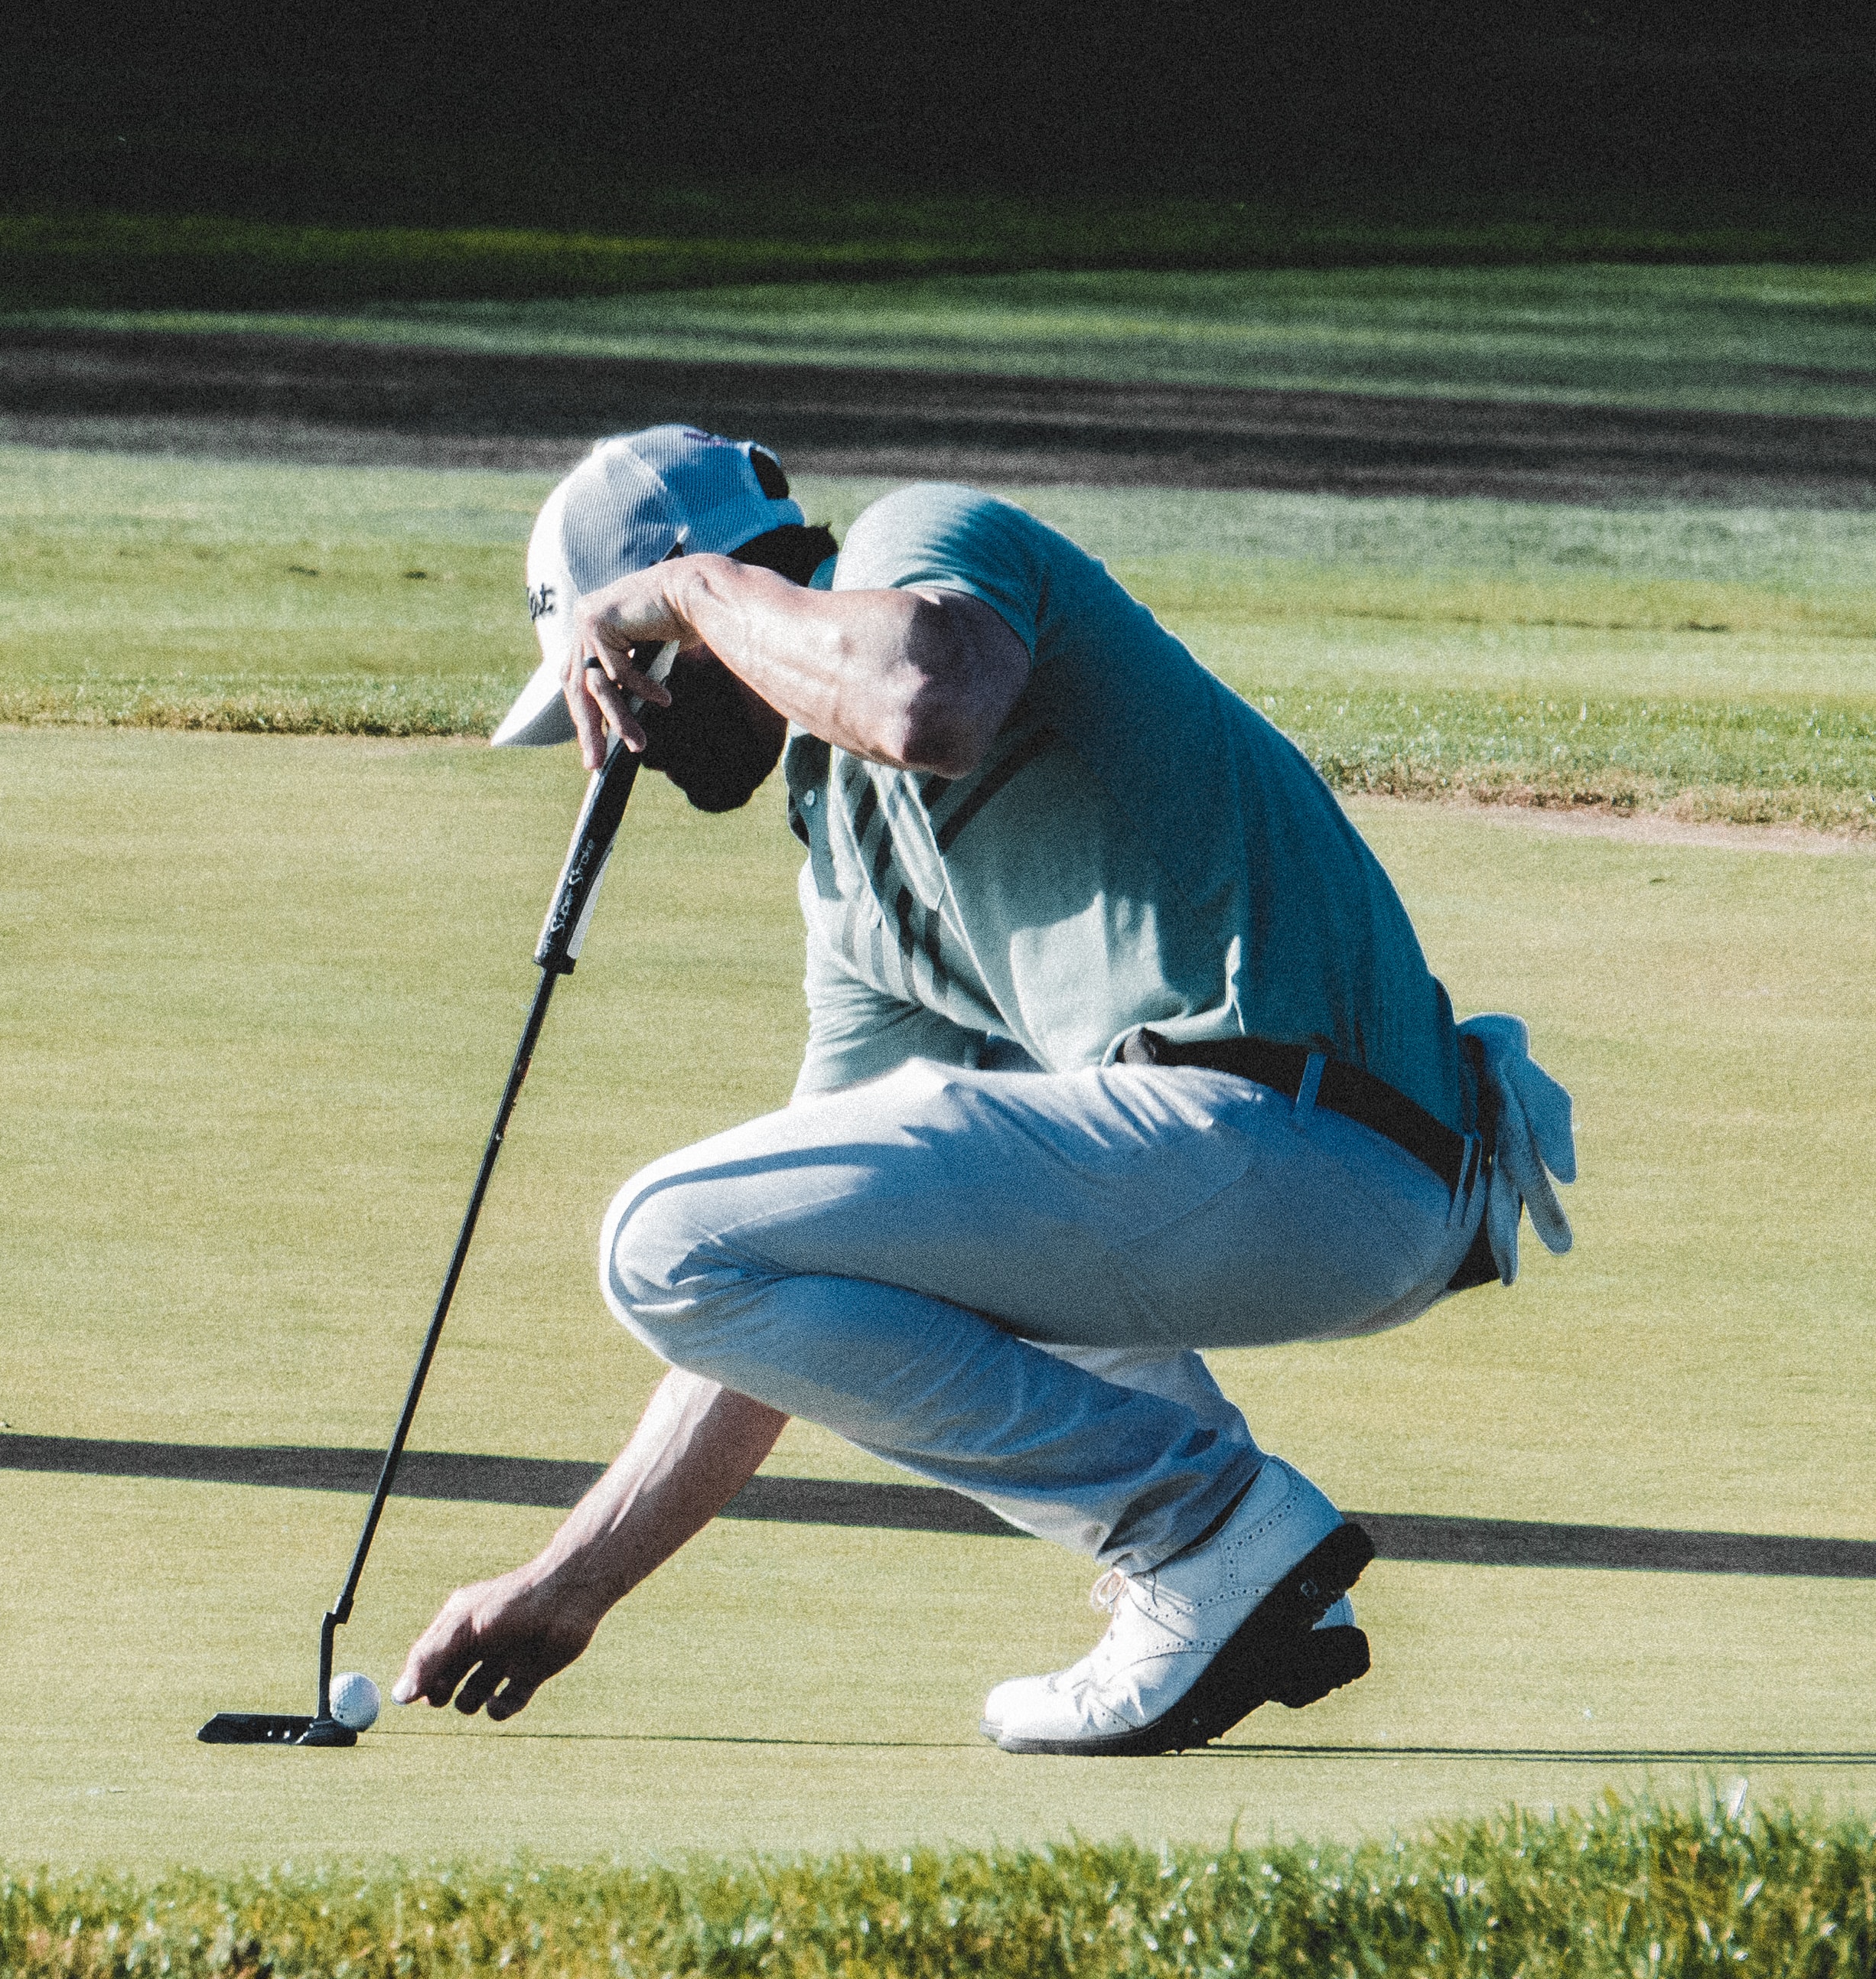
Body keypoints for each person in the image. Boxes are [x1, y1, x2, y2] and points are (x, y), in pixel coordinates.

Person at [393, 426, 1575, 1754]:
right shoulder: (846, 871)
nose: (616, 741)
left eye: (612, 682)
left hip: (1287, 1135)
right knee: (732, 1245)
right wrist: (572, 1583)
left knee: (653, 1236)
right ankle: (1248, 1593)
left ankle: (1202, 1539)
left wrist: (686, 596)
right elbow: (788, 1268)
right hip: (1293, 1179)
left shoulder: (922, 538)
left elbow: (924, 705)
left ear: (678, 607)